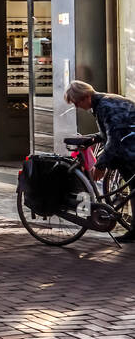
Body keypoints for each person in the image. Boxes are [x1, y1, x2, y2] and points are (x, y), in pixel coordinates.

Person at [64, 81, 135, 241]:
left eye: (76, 102)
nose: (76, 106)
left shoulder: (105, 106)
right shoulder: (103, 102)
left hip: (130, 149)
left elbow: (115, 138)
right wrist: (94, 138)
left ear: (86, 96)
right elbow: (111, 131)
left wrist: (100, 164)